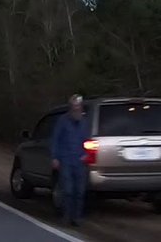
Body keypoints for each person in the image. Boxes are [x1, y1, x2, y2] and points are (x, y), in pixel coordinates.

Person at [51, 94, 91, 226]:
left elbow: (88, 141)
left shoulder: (84, 122)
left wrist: (86, 154)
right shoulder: (62, 121)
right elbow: (55, 140)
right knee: (68, 190)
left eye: (78, 106)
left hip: (80, 162)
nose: (76, 108)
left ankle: (77, 217)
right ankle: (67, 216)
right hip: (66, 160)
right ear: (71, 107)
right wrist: (55, 157)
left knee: (79, 191)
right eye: (74, 106)